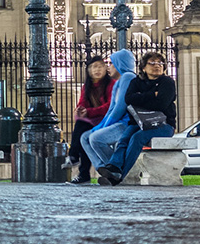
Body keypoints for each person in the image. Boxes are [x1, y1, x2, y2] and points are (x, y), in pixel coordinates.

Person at [97, 52, 177, 185]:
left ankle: (120, 176)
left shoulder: (167, 82)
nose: (157, 66)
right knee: (123, 139)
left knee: (137, 137)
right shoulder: (136, 82)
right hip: (138, 123)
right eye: (152, 63)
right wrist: (152, 94)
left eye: (160, 63)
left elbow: (161, 105)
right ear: (144, 68)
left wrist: (140, 98)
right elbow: (129, 100)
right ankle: (114, 167)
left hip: (164, 125)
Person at [79, 49, 139, 182]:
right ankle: (105, 170)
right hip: (118, 123)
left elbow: (120, 108)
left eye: (111, 63)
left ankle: (119, 171)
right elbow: (111, 109)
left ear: (120, 63)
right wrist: (101, 125)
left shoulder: (128, 77)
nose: (108, 67)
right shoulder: (118, 82)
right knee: (85, 137)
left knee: (96, 138)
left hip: (127, 124)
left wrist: (103, 127)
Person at [64, 56, 114, 184]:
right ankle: (83, 173)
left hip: (107, 120)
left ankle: (74, 157)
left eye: (100, 66)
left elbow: (110, 106)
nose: (97, 69)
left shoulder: (111, 84)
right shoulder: (87, 86)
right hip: (92, 121)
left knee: (82, 130)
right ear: (88, 70)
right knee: (83, 134)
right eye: (93, 67)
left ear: (105, 68)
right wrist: (79, 110)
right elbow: (83, 103)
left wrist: (89, 112)